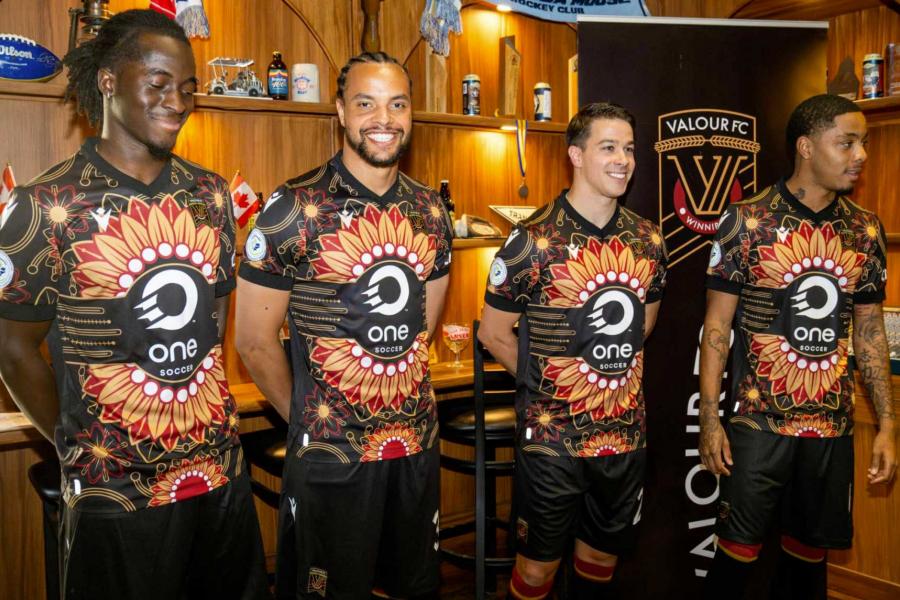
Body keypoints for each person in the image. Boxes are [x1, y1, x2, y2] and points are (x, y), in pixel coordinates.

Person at [0, 10, 268, 599]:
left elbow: (213, 320)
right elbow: (12, 349)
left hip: (218, 474)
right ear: (108, 82)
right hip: (114, 492)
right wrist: (75, 444)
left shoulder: (210, 195)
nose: (178, 101)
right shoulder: (45, 205)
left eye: (187, 88)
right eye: (158, 83)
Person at [235, 51, 452, 599]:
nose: (384, 119)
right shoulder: (293, 208)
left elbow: (422, 325)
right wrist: (310, 421)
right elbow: (254, 342)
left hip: (413, 446)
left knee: (409, 589)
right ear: (339, 111)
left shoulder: (430, 210)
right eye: (366, 104)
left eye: (397, 104)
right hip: (331, 457)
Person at [699, 94, 896, 600]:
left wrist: (887, 424)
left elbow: (870, 332)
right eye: (846, 143)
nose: (860, 155)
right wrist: (710, 421)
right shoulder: (746, 221)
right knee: (735, 561)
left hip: (830, 427)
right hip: (758, 425)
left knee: (809, 564)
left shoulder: (865, 229)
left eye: (863, 143)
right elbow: (717, 327)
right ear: (806, 147)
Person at [478, 102, 668, 600]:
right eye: (608, 147)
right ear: (576, 156)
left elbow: (644, 324)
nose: (622, 160)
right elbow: (493, 334)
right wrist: (552, 382)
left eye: (629, 149)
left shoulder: (648, 239)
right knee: (536, 571)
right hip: (552, 441)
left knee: (600, 561)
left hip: (623, 436)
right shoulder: (532, 240)